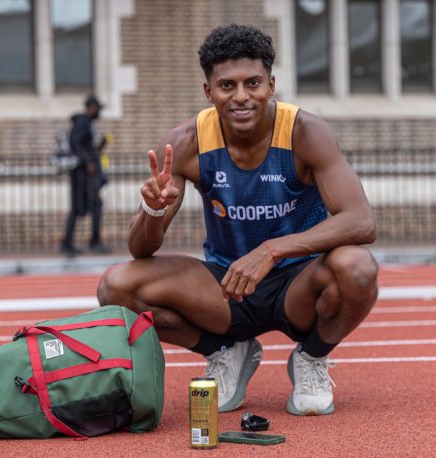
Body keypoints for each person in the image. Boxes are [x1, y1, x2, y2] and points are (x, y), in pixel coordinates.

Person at [97, 24, 378, 416]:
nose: (242, 97)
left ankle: (311, 358)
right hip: (227, 287)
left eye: (253, 83)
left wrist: (272, 250)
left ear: (271, 84)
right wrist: (154, 210)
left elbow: (361, 222)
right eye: (227, 86)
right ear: (208, 91)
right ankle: (226, 351)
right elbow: (141, 249)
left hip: (298, 283)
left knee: (357, 267)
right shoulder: (185, 143)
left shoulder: (304, 132)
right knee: (116, 287)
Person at [61, 94, 111, 256]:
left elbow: (86, 147)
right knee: (83, 206)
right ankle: (78, 243)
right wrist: (88, 162)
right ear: (91, 107)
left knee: (93, 205)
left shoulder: (88, 124)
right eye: (98, 109)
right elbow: (74, 144)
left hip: (87, 173)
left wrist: (100, 146)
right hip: (81, 174)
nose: (99, 113)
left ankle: (87, 241)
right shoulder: (82, 123)